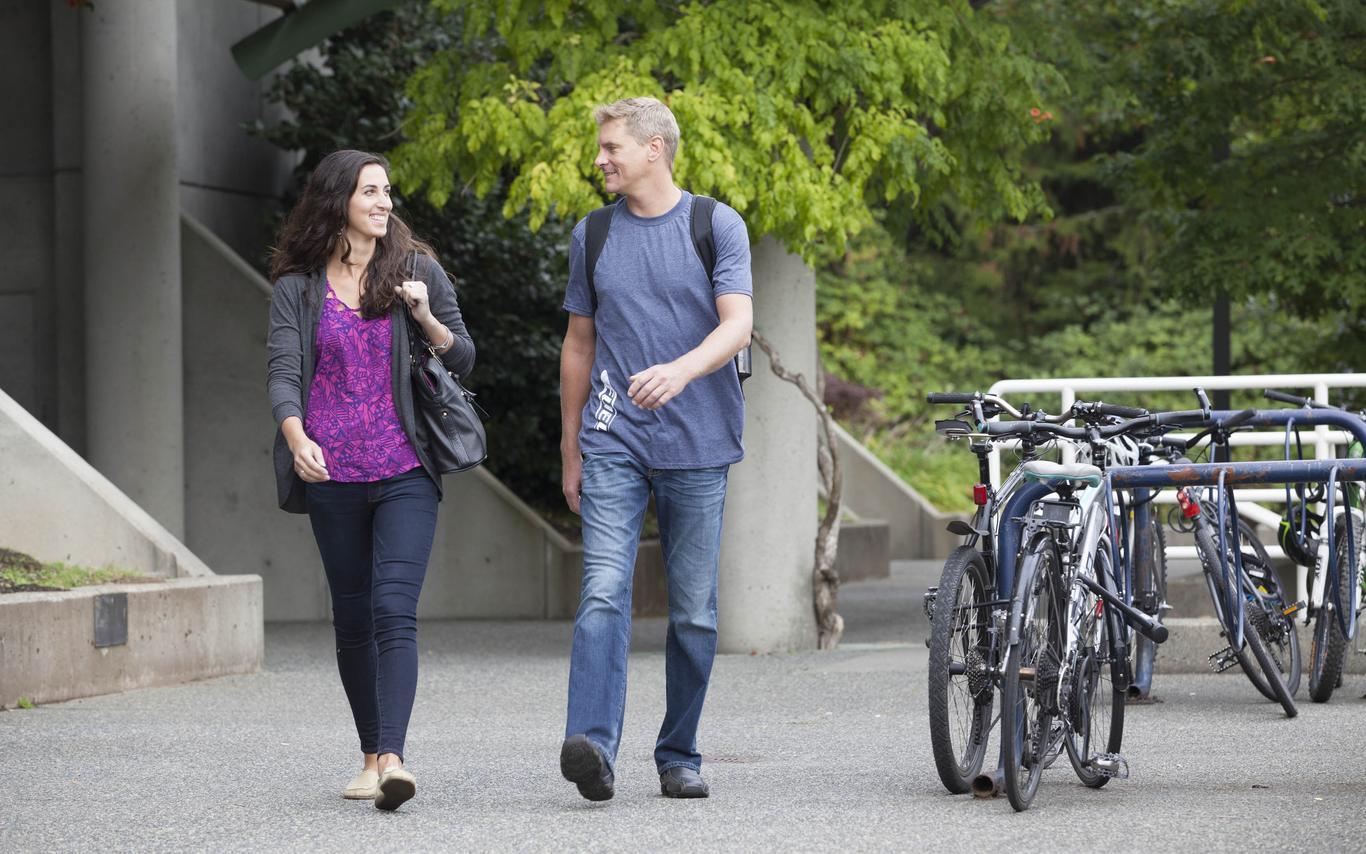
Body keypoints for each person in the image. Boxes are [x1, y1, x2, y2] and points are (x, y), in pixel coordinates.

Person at [266, 149, 474, 811]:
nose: (384, 203)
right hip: (332, 471)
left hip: (406, 467)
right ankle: (367, 753)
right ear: (338, 202)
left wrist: (425, 316)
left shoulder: (419, 272)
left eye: (387, 192)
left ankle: (393, 758)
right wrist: (297, 439)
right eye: (370, 192)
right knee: (353, 617)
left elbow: (464, 355)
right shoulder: (297, 287)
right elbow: (282, 374)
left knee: (393, 609)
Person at [558, 97, 753, 801]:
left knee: (694, 610)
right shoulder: (595, 233)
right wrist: (571, 446)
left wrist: (682, 369)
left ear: (654, 149)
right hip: (613, 437)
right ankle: (593, 748)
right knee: (603, 591)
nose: (601, 158)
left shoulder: (714, 224)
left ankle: (678, 753)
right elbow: (578, 343)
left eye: (612, 147)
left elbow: (738, 325)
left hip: (699, 442)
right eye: (602, 147)